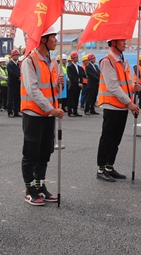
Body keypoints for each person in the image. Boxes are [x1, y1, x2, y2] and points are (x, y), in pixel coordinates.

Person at [19, 26, 64, 205]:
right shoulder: (30, 60)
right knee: (31, 153)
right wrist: (50, 109)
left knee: (45, 151)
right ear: (43, 39)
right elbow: (33, 90)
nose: (56, 40)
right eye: (53, 37)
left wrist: (59, 84)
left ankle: (40, 185)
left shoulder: (52, 62)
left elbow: (54, 91)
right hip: (34, 113)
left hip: (48, 115)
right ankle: (30, 189)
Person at [96, 39, 139, 182]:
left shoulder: (124, 60)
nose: (125, 43)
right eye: (122, 41)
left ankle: (109, 167)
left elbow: (126, 83)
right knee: (107, 138)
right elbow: (113, 86)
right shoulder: (107, 61)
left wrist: (134, 88)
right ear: (113, 43)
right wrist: (130, 103)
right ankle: (101, 169)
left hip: (122, 106)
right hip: (111, 105)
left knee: (116, 139)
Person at [66, 51, 84, 117]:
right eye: (76, 57)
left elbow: (81, 75)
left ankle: (75, 111)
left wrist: (81, 83)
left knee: (76, 99)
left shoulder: (79, 67)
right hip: (73, 85)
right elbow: (71, 76)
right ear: (73, 58)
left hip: (78, 86)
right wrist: (78, 83)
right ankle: (70, 112)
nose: (77, 58)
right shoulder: (70, 67)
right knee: (71, 99)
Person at [6, 49, 22, 117]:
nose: (17, 56)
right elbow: (11, 73)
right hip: (12, 83)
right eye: (16, 55)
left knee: (17, 98)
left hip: (18, 84)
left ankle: (16, 111)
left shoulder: (18, 64)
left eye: (18, 55)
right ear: (12, 56)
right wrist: (18, 77)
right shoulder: (10, 64)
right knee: (10, 98)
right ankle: (9, 112)